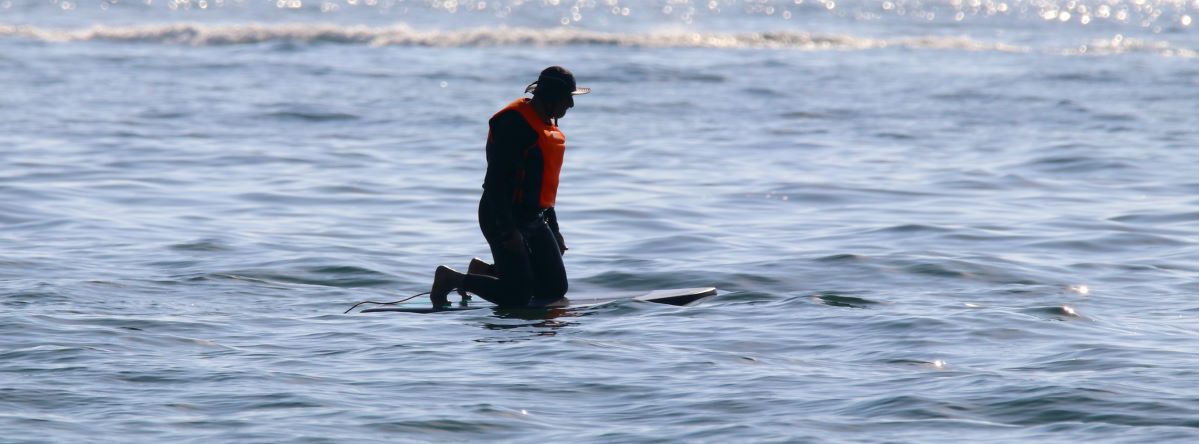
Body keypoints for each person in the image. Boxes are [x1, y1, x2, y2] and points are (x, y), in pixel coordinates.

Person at [428, 66, 590, 309]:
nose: (571, 104)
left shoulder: (546, 125)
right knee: (517, 296)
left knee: (554, 289)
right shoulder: (514, 124)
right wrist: (508, 229)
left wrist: (554, 229)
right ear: (551, 97)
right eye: (567, 97)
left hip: (533, 216)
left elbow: (543, 187)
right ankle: (450, 278)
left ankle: (484, 271)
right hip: (499, 213)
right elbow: (495, 183)